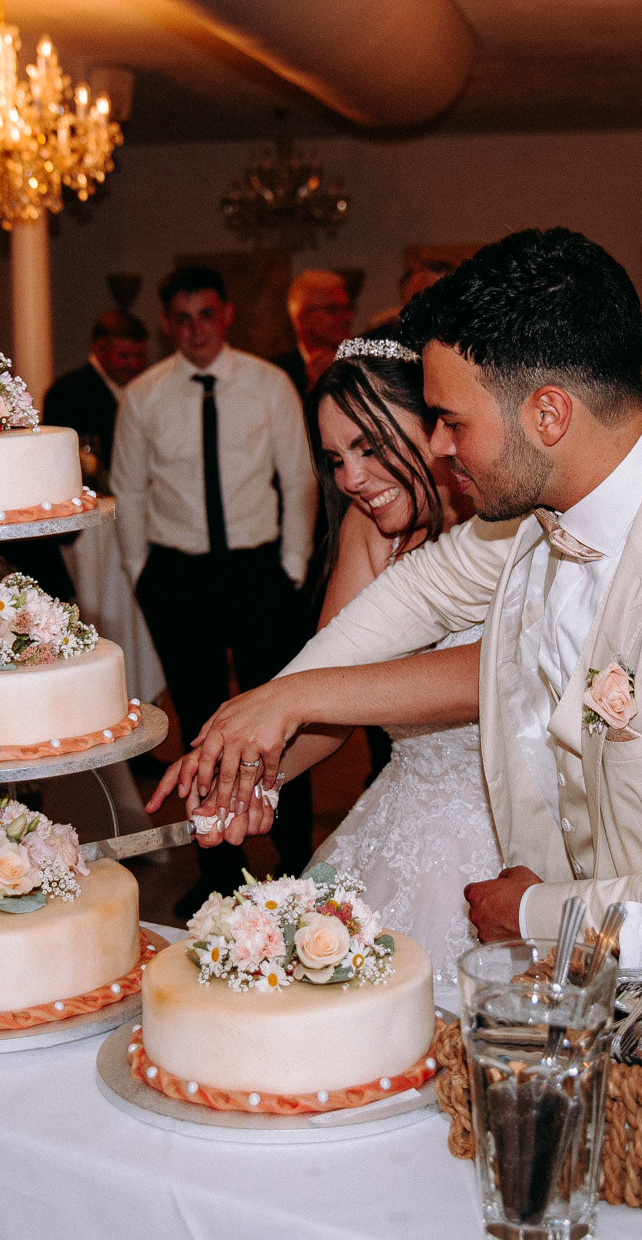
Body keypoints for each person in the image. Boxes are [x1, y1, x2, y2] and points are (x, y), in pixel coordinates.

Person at [166, 228, 642, 935]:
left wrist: (537, 910)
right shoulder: (574, 476)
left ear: (548, 413)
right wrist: (278, 701)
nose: (435, 446)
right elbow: (419, 591)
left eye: (451, 421)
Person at [151, 337, 491, 997]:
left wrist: (284, 700)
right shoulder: (372, 532)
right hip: (403, 817)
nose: (350, 478)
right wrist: (250, 783)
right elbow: (329, 713)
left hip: (513, 835)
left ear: (437, 423)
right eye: (335, 458)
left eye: (368, 445)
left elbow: (489, 677)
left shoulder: (504, 520)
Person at [113, 265, 318, 907]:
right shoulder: (143, 396)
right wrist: (142, 575)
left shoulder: (268, 384)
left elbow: (300, 478)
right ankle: (220, 873)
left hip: (259, 572)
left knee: (280, 717)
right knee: (201, 726)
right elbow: (127, 490)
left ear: (226, 315)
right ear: (167, 324)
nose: (196, 329)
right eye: (182, 318)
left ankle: (296, 859)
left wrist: (290, 566)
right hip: (179, 576)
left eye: (207, 314)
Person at [44, 309, 149, 477]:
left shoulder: (148, 389)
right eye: (124, 356)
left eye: (140, 355)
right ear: (99, 348)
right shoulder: (66, 393)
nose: (134, 364)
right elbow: (56, 462)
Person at [273, 269, 356, 395]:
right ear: (303, 319)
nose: (347, 318)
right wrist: (316, 388)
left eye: (348, 308)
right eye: (332, 309)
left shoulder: (363, 366)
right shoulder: (277, 373)